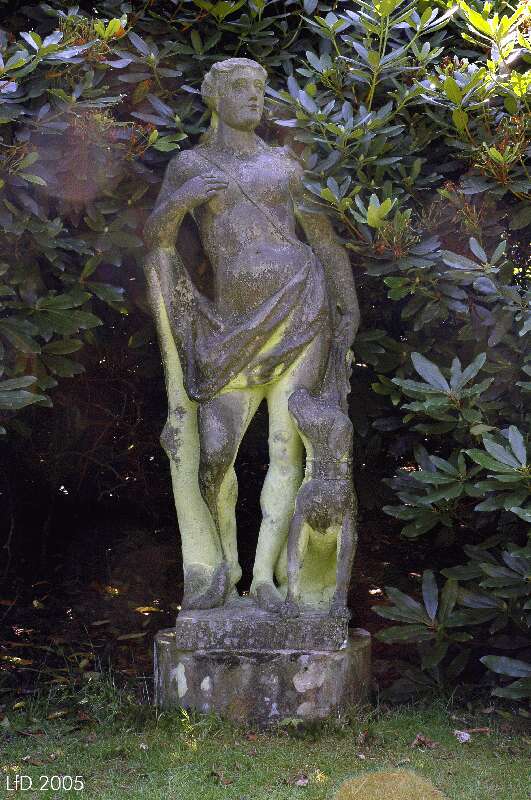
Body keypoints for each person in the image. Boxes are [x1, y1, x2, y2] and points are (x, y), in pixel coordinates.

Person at [144, 58, 359, 611]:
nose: (252, 96)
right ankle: (224, 567)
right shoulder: (191, 164)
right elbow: (158, 240)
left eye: (259, 87)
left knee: (288, 448)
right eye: (239, 86)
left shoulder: (284, 165)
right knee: (214, 459)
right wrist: (183, 200)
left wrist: (349, 305)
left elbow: (324, 239)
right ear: (212, 95)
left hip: (301, 307)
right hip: (228, 329)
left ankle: (265, 576)